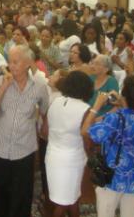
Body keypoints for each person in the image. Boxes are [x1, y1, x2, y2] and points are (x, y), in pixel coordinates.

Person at [0, 45, 50, 217]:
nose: (11, 66)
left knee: (22, 196)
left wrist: (45, 124)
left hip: (24, 149)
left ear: (28, 63)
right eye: (9, 62)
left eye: (15, 62)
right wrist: (4, 87)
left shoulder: (39, 86)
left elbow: (45, 108)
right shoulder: (1, 81)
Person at [84, 76, 134, 217]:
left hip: (114, 175)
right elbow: (131, 114)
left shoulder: (114, 118)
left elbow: (86, 132)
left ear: (125, 96)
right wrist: (122, 102)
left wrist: (96, 106)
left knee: (106, 213)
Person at [45, 71, 92, 217]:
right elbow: (87, 141)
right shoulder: (84, 109)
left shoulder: (55, 102)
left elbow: (44, 131)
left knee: (71, 197)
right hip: (72, 159)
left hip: (52, 156)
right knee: (64, 202)